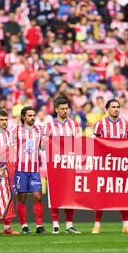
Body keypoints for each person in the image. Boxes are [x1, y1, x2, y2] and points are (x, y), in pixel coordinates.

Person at [92, 99, 128, 234]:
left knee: (123, 195)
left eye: (118, 107)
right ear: (107, 109)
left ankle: (126, 225)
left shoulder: (125, 124)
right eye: (113, 107)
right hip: (105, 165)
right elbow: (94, 143)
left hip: (121, 164)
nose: (116, 109)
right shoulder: (100, 125)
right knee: (102, 195)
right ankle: (97, 225)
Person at [43, 97, 81, 234]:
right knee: (55, 195)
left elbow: (78, 144)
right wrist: (46, 141)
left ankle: (69, 225)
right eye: (62, 109)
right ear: (56, 110)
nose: (65, 111)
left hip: (70, 164)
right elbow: (42, 147)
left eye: (67, 108)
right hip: (54, 165)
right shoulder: (48, 126)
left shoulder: (74, 125)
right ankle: (55, 225)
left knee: (70, 195)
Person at [13, 106, 45, 234]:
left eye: (33, 115)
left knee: (37, 196)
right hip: (20, 169)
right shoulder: (16, 130)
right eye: (29, 115)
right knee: (22, 197)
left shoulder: (40, 130)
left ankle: (39, 226)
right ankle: (24, 225)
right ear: (23, 117)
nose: (32, 118)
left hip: (34, 169)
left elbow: (43, 147)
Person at [0, 109, 20, 235]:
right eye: (1, 119)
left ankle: (7, 227)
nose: (4, 122)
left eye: (6, 119)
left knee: (8, 197)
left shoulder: (9, 133)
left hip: (8, 169)